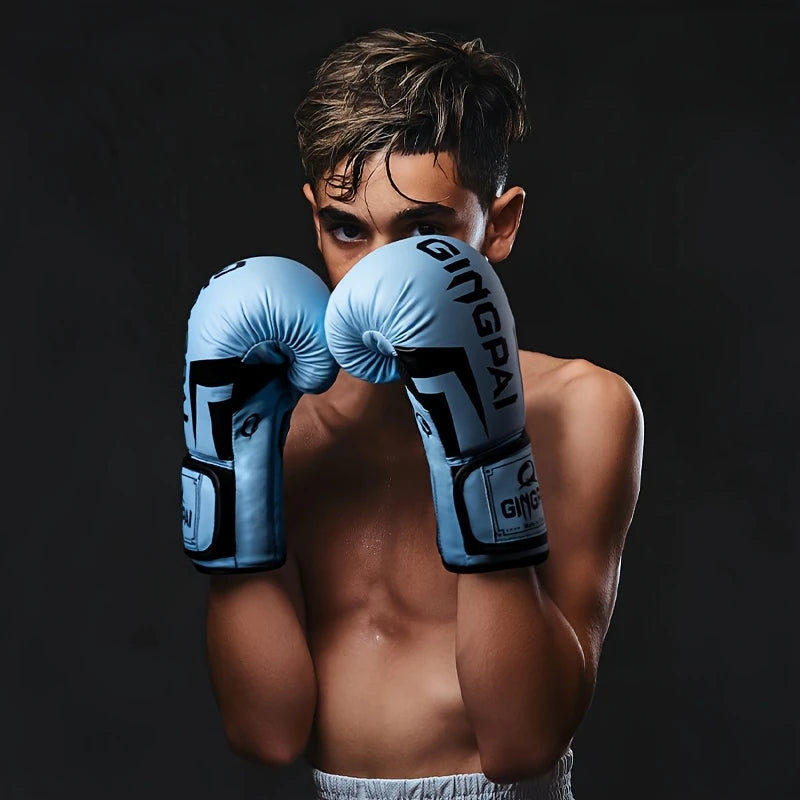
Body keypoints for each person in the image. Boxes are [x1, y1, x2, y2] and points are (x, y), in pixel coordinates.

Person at [180, 27, 644, 800]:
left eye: (423, 233)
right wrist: (232, 462)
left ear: (498, 224)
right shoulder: (282, 416)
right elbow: (266, 733)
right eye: (346, 229)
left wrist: (482, 439)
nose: (376, 277)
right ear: (314, 218)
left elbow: (522, 740)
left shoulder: (583, 410)